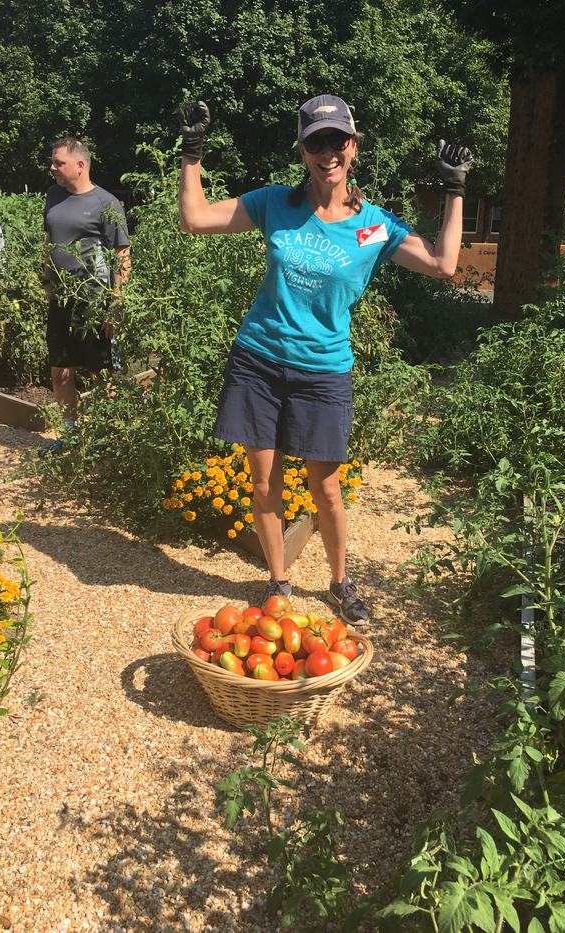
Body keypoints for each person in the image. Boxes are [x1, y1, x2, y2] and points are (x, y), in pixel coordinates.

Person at [177, 95, 472, 624]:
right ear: (303, 151)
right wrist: (191, 151)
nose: (328, 152)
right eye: (316, 142)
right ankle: (279, 582)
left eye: (337, 140)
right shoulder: (275, 204)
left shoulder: (374, 227)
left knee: (326, 489)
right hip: (259, 361)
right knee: (264, 484)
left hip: (324, 371)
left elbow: (443, 264)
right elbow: (195, 219)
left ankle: (340, 581)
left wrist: (454, 190)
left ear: (353, 148)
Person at [41, 137, 131, 455]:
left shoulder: (106, 203)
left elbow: (122, 254)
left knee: (101, 372)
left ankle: (107, 440)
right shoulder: (53, 196)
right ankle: (71, 436)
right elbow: (49, 240)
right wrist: (48, 282)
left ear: (80, 166)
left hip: (94, 301)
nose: (52, 168)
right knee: (60, 370)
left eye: (58, 163)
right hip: (61, 300)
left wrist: (115, 304)